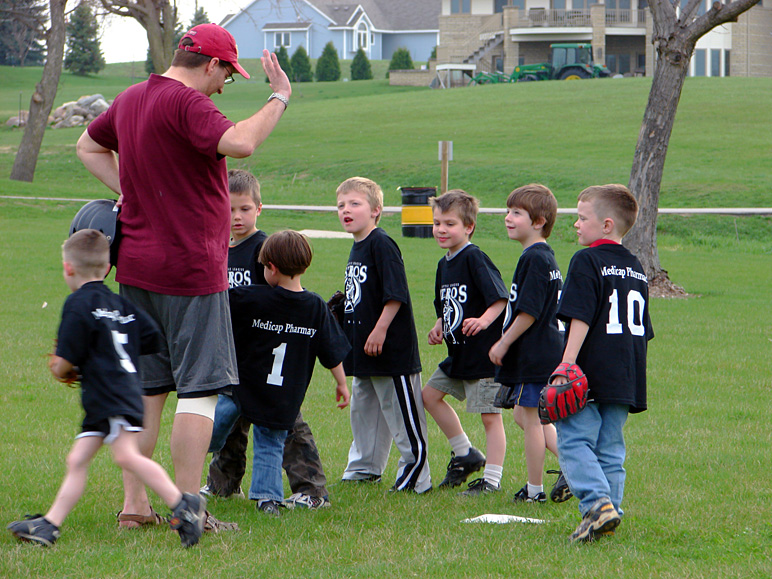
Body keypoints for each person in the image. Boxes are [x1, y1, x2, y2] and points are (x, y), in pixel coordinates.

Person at [75, 23, 291, 531]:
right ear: (211, 64)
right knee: (198, 393)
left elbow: (87, 146)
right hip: (191, 270)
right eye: (226, 77)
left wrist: (126, 188)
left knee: (148, 391)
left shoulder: (130, 98)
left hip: (135, 270)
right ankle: (189, 511)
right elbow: (240, 143)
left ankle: (135, 508)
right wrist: (279, 96)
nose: (223, 87)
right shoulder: (188, 103)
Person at [7, 230, 206, 548]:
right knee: (78, 459)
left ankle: (184, 505)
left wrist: (63, 366)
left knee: (126, 455)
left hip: (109, 396)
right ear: (107, 267)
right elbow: (153, 338)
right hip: (118, 392)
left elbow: (63, 364)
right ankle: (49, 525)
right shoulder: (121, 304)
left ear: (68, 268)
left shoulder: (77, 304)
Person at [203, 170, 334, 509]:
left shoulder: (265, 248)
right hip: (234, 355)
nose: (236, 217)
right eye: (229, 209)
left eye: (244, 209)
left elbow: (282, 301)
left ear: (258, 209)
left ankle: (311, 488)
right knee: (232, 422)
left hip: (270, 356)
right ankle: (223, 484)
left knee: (286, 422)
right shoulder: (219, 247)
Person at [554, 184, 653, 542]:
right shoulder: (637, 267)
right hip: (626, 372)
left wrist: (566, 364)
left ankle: (597, 504)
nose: (577, 225)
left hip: (588, 368)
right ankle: (609, 514)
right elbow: (643, 331)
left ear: (607, 224)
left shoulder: (586, 260)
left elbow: (578, 316)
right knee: (610, 447)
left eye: (582, 218)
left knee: (575, 440)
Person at [228, 230, 351, 516]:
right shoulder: (316, 306)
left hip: (246, 387)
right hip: (285, 395)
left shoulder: (251, 298)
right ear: (305, 266)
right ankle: (267, 500)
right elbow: (331, 350)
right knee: (269, 443)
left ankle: (195, 461)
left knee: (216, 424)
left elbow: (216, 301)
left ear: (271, 267)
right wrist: (342, 383)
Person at [337, 177, 432, 493]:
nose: (345, 210)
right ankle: (365, 467)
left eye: (354, 204)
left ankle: (416, 473)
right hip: (362, 350)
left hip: (391, 351)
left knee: (401, 413)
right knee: (365, 411)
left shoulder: (381, 243)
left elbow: (396, 294)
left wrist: (379, 329)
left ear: (376, 210)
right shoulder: (358, 245)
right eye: (341, 205)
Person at [424, 190, 509, 495]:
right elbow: (446, 307)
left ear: (469, 227)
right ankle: (465, 454)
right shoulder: (443, 264)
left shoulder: (474, 257)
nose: (441, 230)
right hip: (458, 356)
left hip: (483, 357)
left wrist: (484, 321)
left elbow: (500, 299)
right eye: (437, 223)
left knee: (490, 417)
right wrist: (439, 327)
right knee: (429, 396)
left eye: (450, 224)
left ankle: (492, 480)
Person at [487, 184, 569, 503]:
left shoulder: (535, 258)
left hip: (536, 353)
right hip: (541, 351)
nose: (508, 218)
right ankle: (573, 467)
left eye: (516, 213)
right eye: (508, 211)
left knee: (531, 419)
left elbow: (529, 312)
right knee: (522, 415)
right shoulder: (540, 255)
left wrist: (504, 342)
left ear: (539, 221)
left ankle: (534, 491)